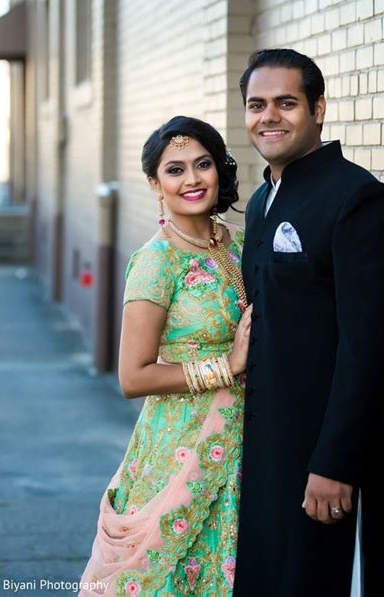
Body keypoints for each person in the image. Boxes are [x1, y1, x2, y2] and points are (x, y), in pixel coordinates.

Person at [233, 49, 384, 597]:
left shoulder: (359, 200)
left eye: (287, 103)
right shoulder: (262, 201)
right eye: (257, 104)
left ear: (319, 109)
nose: (270, 116)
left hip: (322, 459)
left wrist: (335, 461)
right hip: (264, 453)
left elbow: (368, 348)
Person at [79, 116, 252, 596]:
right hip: (181, 444)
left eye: (203, 164)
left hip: (247, 439)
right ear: (156, 184)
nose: (193, 179)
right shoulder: (157, 262)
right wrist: (227, 365)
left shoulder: (238, 241)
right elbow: (132, 376)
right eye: (175, 170)